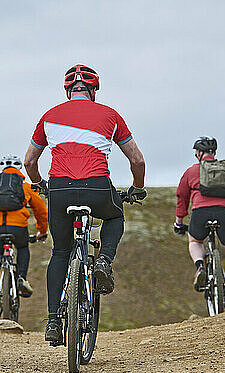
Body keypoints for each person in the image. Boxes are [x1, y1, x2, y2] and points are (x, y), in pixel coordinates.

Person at [23, 64, 147, 342]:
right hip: (97, 187)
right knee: (114, 217)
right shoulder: (111, 115)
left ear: (68, 90)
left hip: (60, 190)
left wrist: (40, 185)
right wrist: (137, 189)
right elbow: (136, 160)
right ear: (94, 90)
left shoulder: (49, 116)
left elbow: (29, 161)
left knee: (60, 253)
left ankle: (54, 320)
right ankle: (103, 260)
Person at [0, 155, 48, 326]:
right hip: (18, 228)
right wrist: (42, 232)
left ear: (2, 170)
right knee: (22, 248)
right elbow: (41, 210)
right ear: (19, 170)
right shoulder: (25, 186)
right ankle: (21, 277)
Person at [174, 136, 225, 308]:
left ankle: (200, 267)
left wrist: (179, 222)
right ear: (214, 152)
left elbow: (182, 197)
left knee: (195, 240)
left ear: (198, 153)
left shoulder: (191, 171)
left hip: (200, 214)